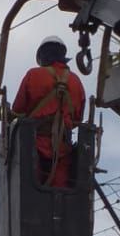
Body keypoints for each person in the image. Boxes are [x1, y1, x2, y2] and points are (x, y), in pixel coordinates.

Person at [12, 36, 86, 187]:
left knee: (32, 190)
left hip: (34, 145)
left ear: (41, 56)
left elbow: (17, 110)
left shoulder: (33, 75)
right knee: (60, 193)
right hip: (62, 149)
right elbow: (77, 117)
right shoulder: (75, 81)